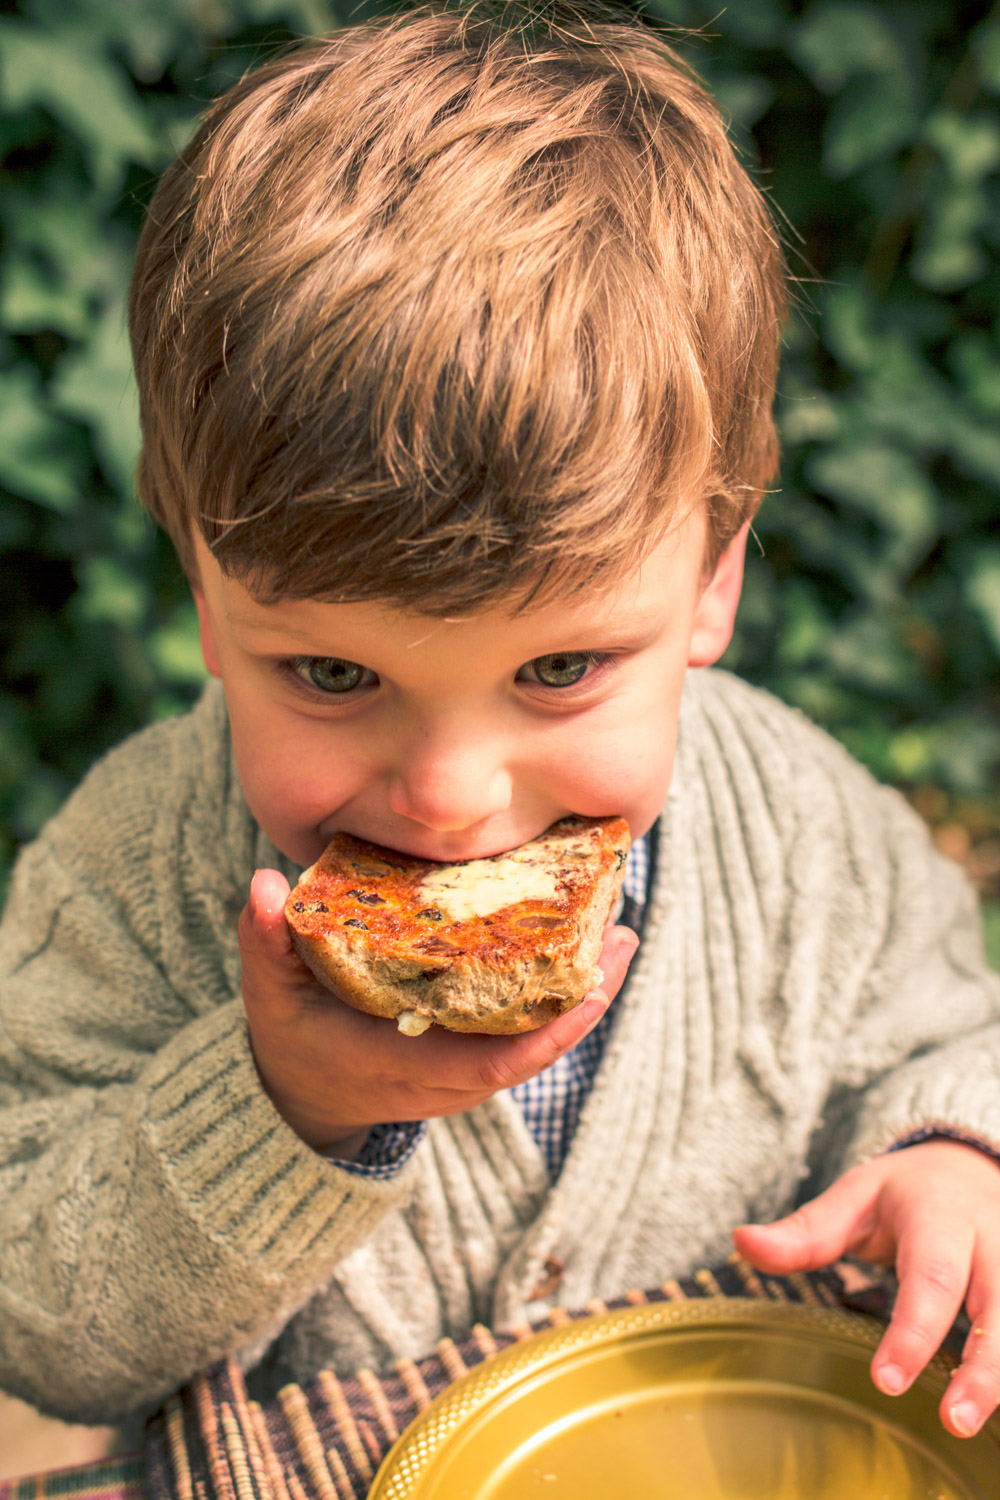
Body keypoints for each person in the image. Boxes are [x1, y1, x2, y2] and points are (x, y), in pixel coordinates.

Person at [2, 0, 999, 1444]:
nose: (453, 797)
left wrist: (954, 1155)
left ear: (714, 578)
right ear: (209, 604)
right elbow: (40, 1326)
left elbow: (944, 1034)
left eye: (562, 669)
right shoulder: (133, 877)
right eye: (334, 677)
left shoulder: (801, 834)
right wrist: (281, 1106)